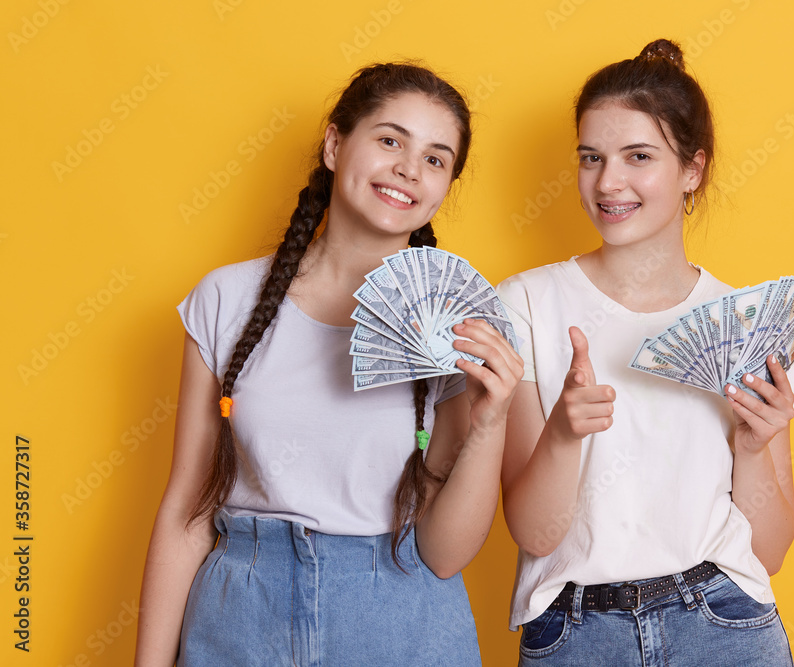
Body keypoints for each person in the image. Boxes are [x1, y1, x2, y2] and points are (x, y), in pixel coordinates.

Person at [135, 62, 523, 667]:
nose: (408, 169)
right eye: (390, 140)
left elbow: (444, 555)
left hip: (400, 623)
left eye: (436, 159)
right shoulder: (224, 300)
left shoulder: (451, 331)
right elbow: (188, 509)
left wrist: (492, 422)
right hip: (241, 614)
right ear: (336, 143)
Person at [497, 39, 794, 666]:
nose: (608, 182)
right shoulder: (525, 304)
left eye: (638, 156)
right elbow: (534, 534)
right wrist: (562, 433)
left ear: (693, 169)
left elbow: (768, 552)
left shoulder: (749, 324)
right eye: (591, 157)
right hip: (575, 635)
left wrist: (752, 447)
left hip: (726, 626)